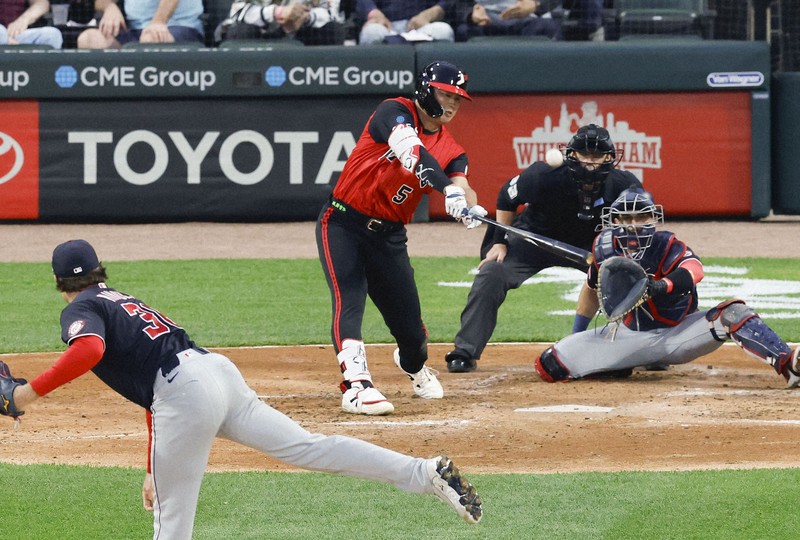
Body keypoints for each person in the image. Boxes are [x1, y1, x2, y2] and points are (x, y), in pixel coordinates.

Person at [0, 239, 483, 539]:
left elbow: (87, 352)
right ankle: (422, 473)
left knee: (172, 528)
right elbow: (153, 385)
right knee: (311, 448)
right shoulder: (122, 299)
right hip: (216, 375)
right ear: (99, 270)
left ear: (59, 281)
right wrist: (154, 466)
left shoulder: (80, 309)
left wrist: (25, 395)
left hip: (183, 394)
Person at [316, 60, 486, 415]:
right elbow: (412, 152)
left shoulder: (452, 148)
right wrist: (445, 189)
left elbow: (462, 184)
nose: (453, 104)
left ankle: (413, 366)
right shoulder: (394, 111)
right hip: (344, 223)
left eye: (458, 98)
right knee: (350, 297)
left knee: (413, 336)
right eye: (446, 94)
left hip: (389, 237)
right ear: (426, 90)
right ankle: (356, 386)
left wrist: (468, 206)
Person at [534, 188, 800, 385]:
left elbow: (694, 271)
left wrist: (659, 287)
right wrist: (576, 334)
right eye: (625, 219)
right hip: (629, 336)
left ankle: (788, 364)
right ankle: (617, 364)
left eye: (641, 217)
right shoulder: (604, 248)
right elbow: (592, 289)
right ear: (614, 221)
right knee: (549, 365)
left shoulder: (667, 245)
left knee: (734, 312)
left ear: (653, 218)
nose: (634, 225)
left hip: (678, 335)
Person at [444, 124, 642, 373]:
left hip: (591, 247)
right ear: (572, 155)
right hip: (534, 239)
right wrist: (499, 241)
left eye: (597, 156)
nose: (590, 163)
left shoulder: (623, 184)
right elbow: (507, 196)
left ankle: (646, 350)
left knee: (632, 278)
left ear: (609, 158)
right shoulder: (543, 175)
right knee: (492, 273)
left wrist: (627, 254)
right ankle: (465, 351)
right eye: (585, 155)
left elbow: (642, 217)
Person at [76, 0, 204, 48]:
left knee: (150, 39)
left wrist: (159, 22)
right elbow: (100, 2)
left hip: (178, 28)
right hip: (135, 31)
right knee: (88, 39)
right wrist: (110, 7)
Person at [219, 0, 346, 46]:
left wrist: (305, 17)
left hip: (305, 33)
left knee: (333, 30)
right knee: (240, 31)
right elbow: (238, 12)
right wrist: (277, 12)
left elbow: (332, 14)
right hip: (263, 34)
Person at [452, 0, 561, 42]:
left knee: (550, 27)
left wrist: (536, 5)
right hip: (485, 21)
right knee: (464, 30)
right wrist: (471, 14)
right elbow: (455, 4)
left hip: (526, 20)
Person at [356, 0, 455, 45]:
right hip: (386, 25)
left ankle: (438, 84)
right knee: (370, 33)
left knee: (443, 31)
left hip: (422, 25)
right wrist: (373, 12)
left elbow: (446, 3)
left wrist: (430, 14)